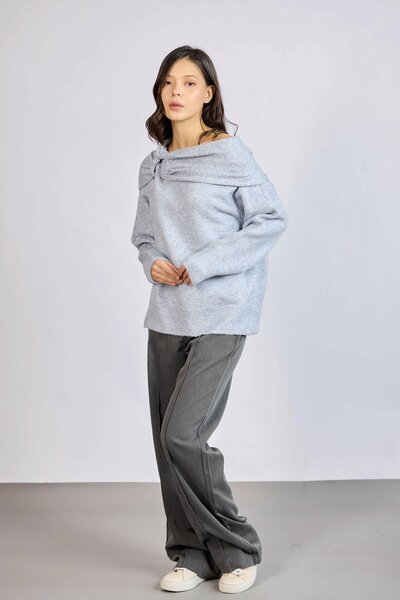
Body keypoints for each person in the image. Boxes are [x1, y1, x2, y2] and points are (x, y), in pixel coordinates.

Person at [131, 45, 289, 594]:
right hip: (167, 312)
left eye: (189, 83)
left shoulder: (230, 155)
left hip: (223, 309)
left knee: (183, 434)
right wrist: (152, 261)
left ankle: (236, 548)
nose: (176, 91)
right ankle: (191, 553)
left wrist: (200, 265)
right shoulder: (154, 165)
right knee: (165, 444)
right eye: (168, 82)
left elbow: (269, 220)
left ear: (208, 93)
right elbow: (144, 236)